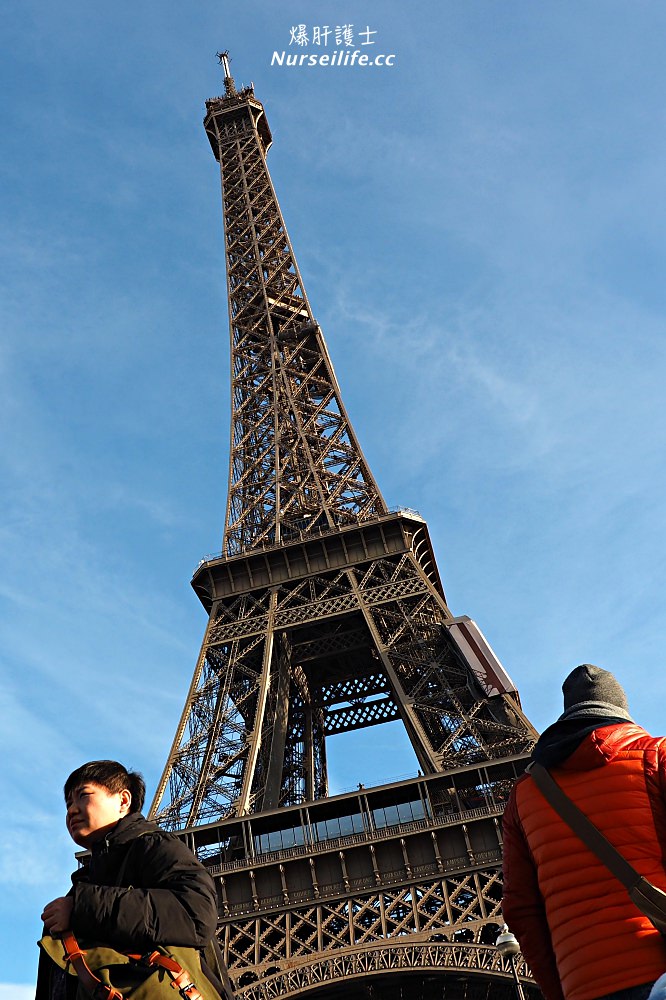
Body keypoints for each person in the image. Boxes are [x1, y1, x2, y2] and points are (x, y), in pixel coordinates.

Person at [502, 664, 666, 1000]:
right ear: (622, 712)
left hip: (583, 985)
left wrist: (560, 991)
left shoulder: (525, 794)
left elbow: (520, 911)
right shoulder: (656, 755)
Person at [36, 760, 231, 1000]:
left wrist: (82, 908)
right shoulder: (80, 888)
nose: (71, 810)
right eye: (68, 804)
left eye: (83, 796)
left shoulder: (151, 845)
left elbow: (196, 912)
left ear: (123, 801)